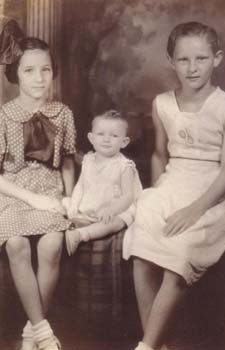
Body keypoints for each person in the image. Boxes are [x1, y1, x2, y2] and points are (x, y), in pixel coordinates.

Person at [123, 21, 225, 350]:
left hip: (214, 193)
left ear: (217, 58)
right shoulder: (162, 104)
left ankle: (145, 347)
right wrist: (158, 194)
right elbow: (160, 154)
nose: (192, 67)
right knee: (141, 247)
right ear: (171, 62)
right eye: (183, 60)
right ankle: (157, 344)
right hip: (173, 182)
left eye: (201, 59)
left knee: (178, 258)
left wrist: (193, 209)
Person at [0, 21, 76, 350]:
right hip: (12, 189)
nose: (39, 78)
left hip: (49, 186)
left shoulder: (62, 113)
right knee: (16, 244)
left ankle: (33, 332)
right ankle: (44, 333)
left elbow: (69, 160)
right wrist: (31, 198)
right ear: (16, 73)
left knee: (50, 247)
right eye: (29, 70)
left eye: (45, 69)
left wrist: (69, 196)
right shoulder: (3, 115)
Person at [63, 110, 142, 256]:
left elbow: (128, 196)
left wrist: (112, 210)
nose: (106, 139)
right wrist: (74, 204)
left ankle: (82, 234)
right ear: (91, 138)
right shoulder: (88, 160)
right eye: (101, 134)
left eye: (114, 136)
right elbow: (81, 185)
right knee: (65, 207)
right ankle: (79, 223)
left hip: (117, 208)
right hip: (92, 205)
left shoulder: (124, 166)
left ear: (124, 142)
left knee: (118, 221)